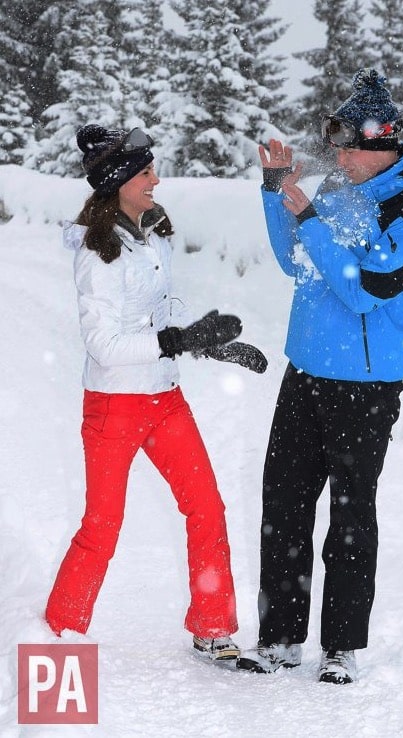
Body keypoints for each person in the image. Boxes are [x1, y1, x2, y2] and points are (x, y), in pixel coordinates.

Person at [236, 69, 403, 682]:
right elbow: (294, 259)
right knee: (284, 507)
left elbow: (367, 287)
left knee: (350, 516)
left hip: (366, 387)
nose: (339, 155)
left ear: (385, 142)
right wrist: (279, 191)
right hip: (304, 374)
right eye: (337, 145)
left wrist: (309, 220)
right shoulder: (340, 189)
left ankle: (342, 648)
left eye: (350, 145)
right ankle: (279, 640)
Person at [45, 123, 266, 662]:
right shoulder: (98, 255)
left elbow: (162, 307)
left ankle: (213, 628)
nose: (156, 180)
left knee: (207, 508)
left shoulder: (150, 235)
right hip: (114, 406)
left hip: (164, 401)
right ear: (119, 180)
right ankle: (56, 640)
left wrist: (205, 341)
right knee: (102, 528)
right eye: (146, 172)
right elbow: (103, 342)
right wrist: (172, 341)